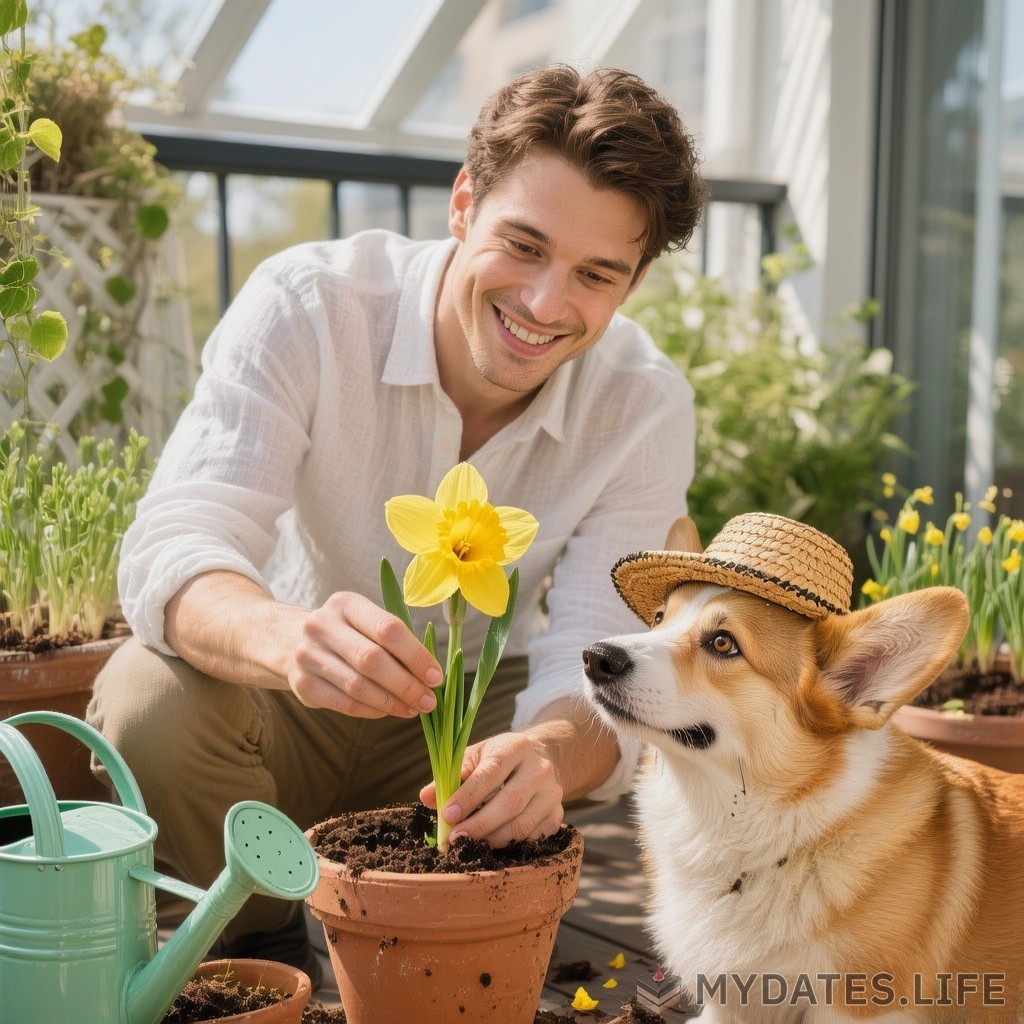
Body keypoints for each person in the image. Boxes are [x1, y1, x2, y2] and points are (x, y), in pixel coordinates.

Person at [87, 63, 707, 984]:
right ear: (464, 203)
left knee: (650, 673)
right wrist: (287, 635)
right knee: (149, 700)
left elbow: (601, 649)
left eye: (595, 274)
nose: (544, 305)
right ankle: (261, 947)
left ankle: (441, 949)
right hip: (283, 703)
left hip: (464, 732)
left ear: (636, 280)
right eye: (524, 245)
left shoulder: (644, 406)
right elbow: (182, 539)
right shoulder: (312, 304)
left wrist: (540, 757)